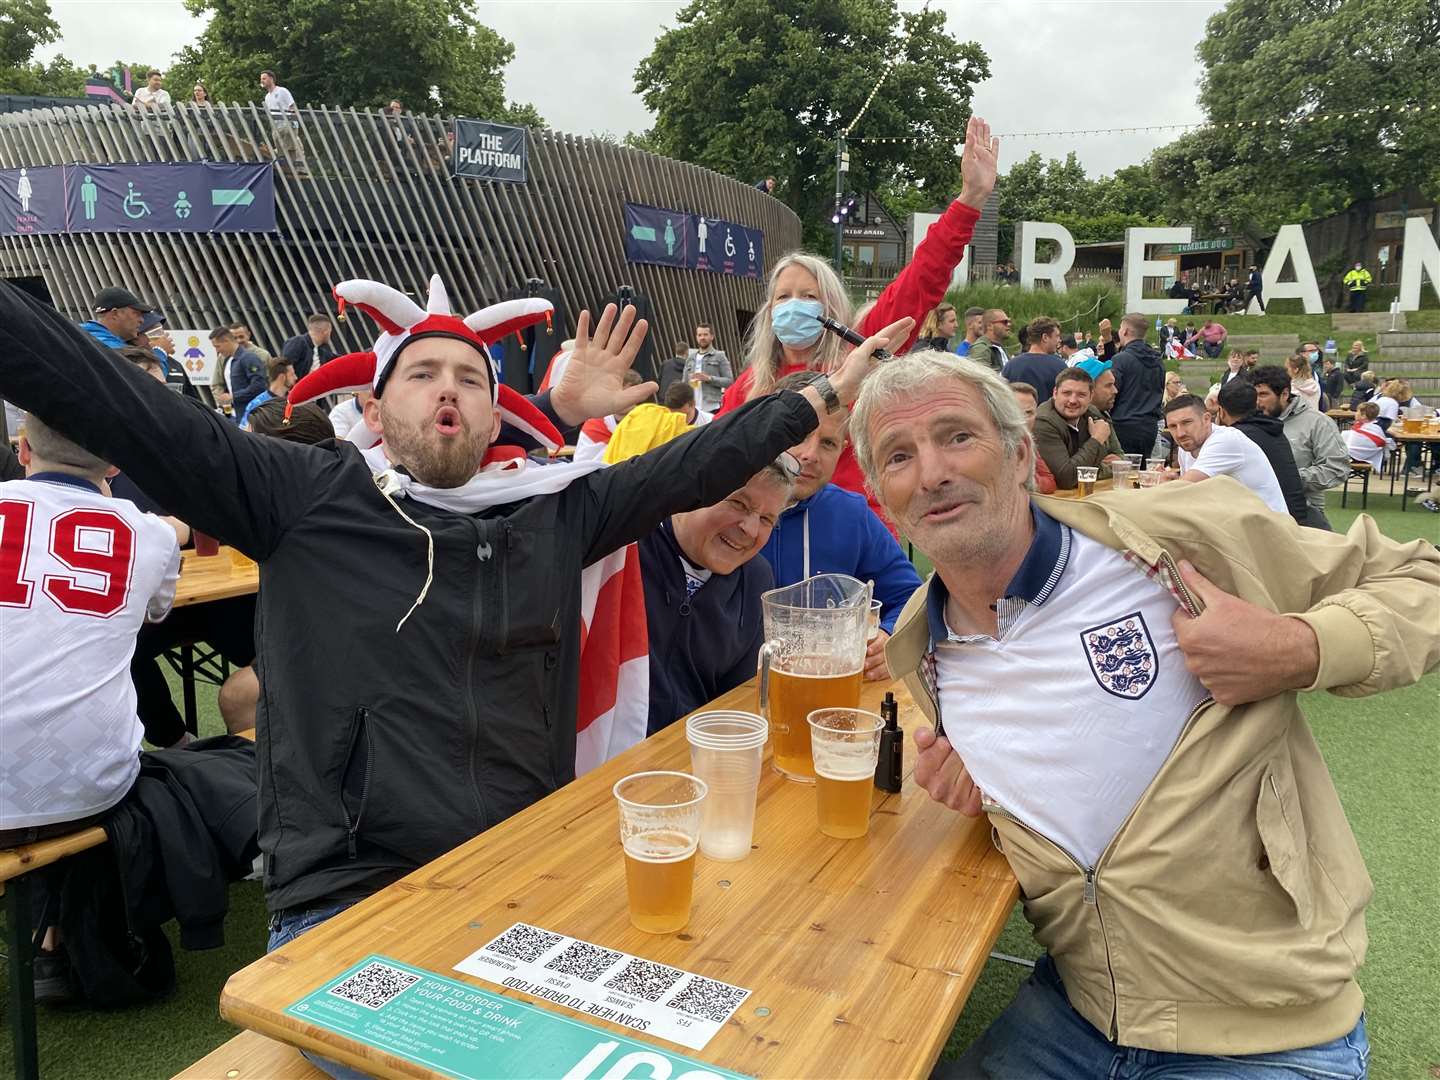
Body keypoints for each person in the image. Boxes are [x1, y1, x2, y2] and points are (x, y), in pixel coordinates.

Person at [0, 277, 906, 1039]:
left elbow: (699, 464)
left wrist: (823, 393)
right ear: (375, 406)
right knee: (457, 1056)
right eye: (423, 371)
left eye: (471, 377)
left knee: (726, 1019)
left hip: (529, 875)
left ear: (496, 412)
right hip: (351, 895)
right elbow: (109, 397)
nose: (449, 388)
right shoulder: (301, 497)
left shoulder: (556, 511)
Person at [856, 353, 1437, 1080]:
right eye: (899, 456)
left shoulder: (1171, 537)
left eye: (957, 436)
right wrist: (990, 802)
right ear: (883, 497)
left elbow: (1424, 576)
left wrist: (1300, 645)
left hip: (1268, 1031)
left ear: (1020, 456)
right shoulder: (925, 649)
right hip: (1078, 1009)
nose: (933, 470)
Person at [717, 114, 999, 525]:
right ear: (769, 311)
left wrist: (970, 200)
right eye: (783, 297)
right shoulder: (745, 387)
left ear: (830, 308)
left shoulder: (860, 352)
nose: (794, 305)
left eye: (809, 296)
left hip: (854, 537)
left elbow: (923, 277)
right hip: (762, 538)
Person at [1, 413, 181, 845]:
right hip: (92, 787)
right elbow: (153, 615)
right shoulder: (152, 533)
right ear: (115, 465)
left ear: (22, 449)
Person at [758, 371, 922, 682]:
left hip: (825, 689)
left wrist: (888, 637)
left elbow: (909, 597)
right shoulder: (722, 507)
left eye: (828, 443)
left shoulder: (851, 514)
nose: (810, 455)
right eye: (798, 435)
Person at [640, 459, 793, 734]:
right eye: (739, 504)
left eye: (767, 519)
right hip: (600, 761)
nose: (751, 529)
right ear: (693, 490)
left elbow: (738, 701)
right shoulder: (627, 546)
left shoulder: (756, 578)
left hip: (695, 753)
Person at [1251, 365, 1350, 530]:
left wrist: (1290, 479)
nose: (1257, 402)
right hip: (1256, 513)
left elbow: (1337, 468)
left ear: (1284, 394)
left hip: (1303, 515)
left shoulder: (1317, 422)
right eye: (1253, 395)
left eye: (1263, 394)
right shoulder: (1250, 422)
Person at [1164, 394, 1289, 513]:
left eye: (1187, 423)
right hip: (1233, 523)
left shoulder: (1225, 440)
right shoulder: (1186, 445)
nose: (1180, 433)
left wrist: (1158, 485)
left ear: (1206, 419)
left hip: (1268, 527)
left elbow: (1181, 489)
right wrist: (1172, 480)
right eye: (1173, 426)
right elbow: (1188, 493)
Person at [1215, 379, 1309, 524]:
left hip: (1275, 524)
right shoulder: (1273, 430)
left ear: (1221, 411)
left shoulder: (1235, 438)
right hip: (1297, 515)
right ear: (1256, 404)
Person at [1032, 366, 1124, 489]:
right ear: (1055, 393)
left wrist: (1088, 468)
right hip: (1054, 501)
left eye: (1081, 395)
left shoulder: (1093, 412)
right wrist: (1096, 440)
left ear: (1091, 396)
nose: (1073, 400)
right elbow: (1067, 478)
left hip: (1091, 493)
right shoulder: (1043, 422)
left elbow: (1121, 460)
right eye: (1067, 393)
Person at [1108, 313, 1165, 458]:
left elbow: (1112, 392)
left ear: (1125, 331)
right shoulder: (1157, 360)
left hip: (1123, 424)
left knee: (1122, 472)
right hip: (1149, 426)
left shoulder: (1121, 360)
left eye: (1120, 329)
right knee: (1141, 470)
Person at [1000, 317, 1066, 403]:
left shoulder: (1011, 365)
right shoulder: (1059, 366)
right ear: (1045, 337)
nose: (1059, 340)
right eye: (1057, 336)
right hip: (1047, 415)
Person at [1009, 382, 1056, 494]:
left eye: (1029, 413)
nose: (1023, 419)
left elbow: (1050, 483)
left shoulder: (1027, 441)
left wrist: (1028, 482)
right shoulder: (996, 444)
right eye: (1016, 412)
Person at [211, 326, 267, 420]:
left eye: (217, 346)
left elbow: (259, 385)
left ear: (226, 341)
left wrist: (233, 397)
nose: (217, 350)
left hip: (250, 415)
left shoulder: (249, 358)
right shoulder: (227, 360)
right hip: (234, 414)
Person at [260, 69, 308, 175]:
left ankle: (299, 169)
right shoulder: (267, 97)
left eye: (264, 78)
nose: (262, 81)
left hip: (288, 123)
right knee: (285, 147)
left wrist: (294, 121)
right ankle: (291, 167)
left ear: (271, 79)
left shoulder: (282, 91)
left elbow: (292, 106)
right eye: (261, 79)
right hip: (276, 126)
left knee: (292, 146)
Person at [80, 286, 153, 348]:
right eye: (136, 314)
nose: (142, 320)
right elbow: (131, 364)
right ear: (115, 314)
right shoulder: (108, 346)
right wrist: (161, 350)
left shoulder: (83, 335)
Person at [686, 322, 733, 412]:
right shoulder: (690, 358)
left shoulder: (719, 356)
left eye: (705, 334)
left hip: (712, 407)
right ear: (696, 337)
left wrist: (709, 378)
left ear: (712, 336)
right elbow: (684, 383)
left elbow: (729, 381)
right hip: (693, 409)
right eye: (699, 335)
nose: (702, 338)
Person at [239, 356, 297, 428]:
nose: (295, 377)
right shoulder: (257, 405)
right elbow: (245, 431)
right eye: (292, 374)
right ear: (282, 377)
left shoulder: (295, 401)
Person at [281, 313, 337, 378]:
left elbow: (339, 359)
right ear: (326, 331)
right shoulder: (298, 342)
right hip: (296, 387)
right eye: (330, 332)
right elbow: (283, 366)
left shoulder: (321, 352)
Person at [1343, 401, 1391, 470]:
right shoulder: (1376, 428)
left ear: (1363, 416)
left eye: (1357, 412)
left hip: (1354, 455)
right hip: (1364, 454)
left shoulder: (1366, 428)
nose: (1355, 414)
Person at [967, 309, 1011, 373]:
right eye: (1004, 322)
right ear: (990, 326)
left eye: (1009, 321)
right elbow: (979, 377)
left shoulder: (999, 347)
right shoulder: (981, 348)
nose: (1008, 324)